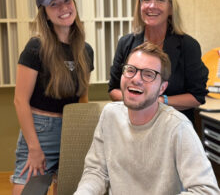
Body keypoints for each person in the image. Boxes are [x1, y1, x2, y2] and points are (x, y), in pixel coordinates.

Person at [74, 42, 220, 195]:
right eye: (130, 70)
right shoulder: (110, 115)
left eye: (148, 74)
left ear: (162, 88)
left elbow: (206, 191)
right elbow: (96, 171)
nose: (136, 79)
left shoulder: (178, 127)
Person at [11, 0, 94, 195]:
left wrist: (83, 132)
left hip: (72, 127)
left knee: (68, 190)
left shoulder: (86, 50)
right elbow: (20, 100)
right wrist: (34, 148)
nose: (64, 7)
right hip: (41, 130)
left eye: (67, 0)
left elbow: (82, 99)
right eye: (54, 4)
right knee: (29, 191)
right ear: (45, 14)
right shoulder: (36, 47)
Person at [108, 0, 208, 124]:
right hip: (134, 124)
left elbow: (197, 97)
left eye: (160, 0)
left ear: (170, 8)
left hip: (174, 127)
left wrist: (159, 101)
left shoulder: (188, 46)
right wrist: (140, 100)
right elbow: (113, 90)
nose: (152, 6)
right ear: (139, 6)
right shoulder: (125, 43)